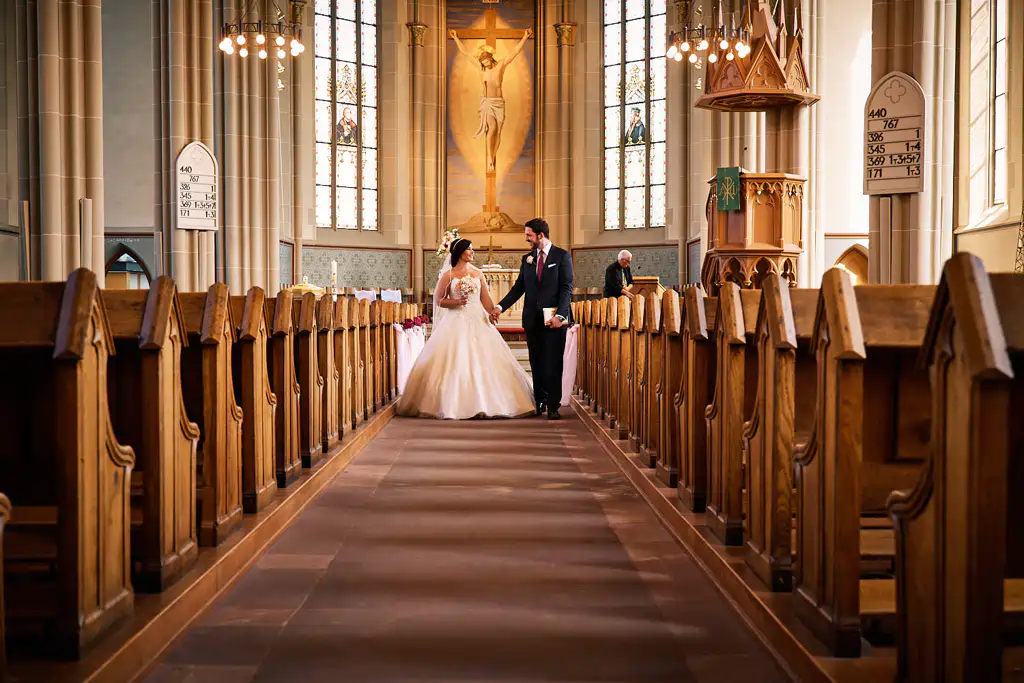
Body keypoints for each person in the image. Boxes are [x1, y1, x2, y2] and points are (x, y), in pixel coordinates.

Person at [397, 238, 534, 420]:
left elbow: (485, 299)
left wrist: (493, 312)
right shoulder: (449, 275)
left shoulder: (478, 274)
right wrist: (455, 302)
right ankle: (452, 404)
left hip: (478, 320)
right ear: (460, 252)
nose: (472, 252)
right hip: (455, 320)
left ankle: (490, 403)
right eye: (469, 249)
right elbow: (439, 300)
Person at [490, 218, 574, 420]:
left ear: (541, 235)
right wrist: (500, 306)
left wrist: (560, 315)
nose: (526, 239)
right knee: (536, 362)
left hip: (554, 321)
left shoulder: (562, 256)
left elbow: (566, 288)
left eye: (529, 235)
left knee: (553, 363)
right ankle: (540, 400)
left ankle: (554, 405)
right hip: (532, 320)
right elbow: (519, 287)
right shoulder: (527, 259)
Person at [449, 27, 533, 173]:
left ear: (490, 58)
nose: (485, 64)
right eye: (483, 62)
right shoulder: (482, 69)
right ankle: (489, 159)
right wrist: (456, 38)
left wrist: (525, 37)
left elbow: (514, 53)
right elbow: (466, 54)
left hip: (499, 102)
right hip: (487, 102)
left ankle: (492, 157)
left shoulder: (500, 65)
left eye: (486, 61)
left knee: (498, 132)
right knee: (491, 128)